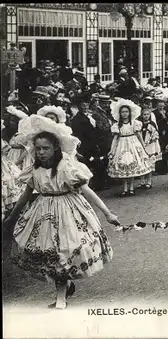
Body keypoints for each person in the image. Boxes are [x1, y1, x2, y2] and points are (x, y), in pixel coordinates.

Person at [3, 115, 118, 310]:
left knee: (63, 250)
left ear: (55, 148)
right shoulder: (34, 170)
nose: (40, 152)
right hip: (43, 211)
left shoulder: (65, 167)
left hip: (68, 210)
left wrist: (107, 213)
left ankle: (61, 296)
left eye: (45, 148)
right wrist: (12, 218)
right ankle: (64, 287)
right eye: (38, 148)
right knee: (48, 251)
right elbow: (25, 195)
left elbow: (86, 191)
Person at [107, 99, 152, 197]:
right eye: (123, 112)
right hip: (122, 145)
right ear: (120, 113)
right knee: (123, 164)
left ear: (130, 112)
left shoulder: (134, 123)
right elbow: (115, 139)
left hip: (133, 145)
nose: (125, 114)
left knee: (132, 164)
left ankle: (131, 187)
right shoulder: (117, 125)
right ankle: (125, 188)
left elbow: (139, 136)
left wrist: (143, 147)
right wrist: (112, 150)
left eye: (126, 112)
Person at [137, 108, 161, 189]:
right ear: (141, 115)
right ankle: (142, 181)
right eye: (144, 114)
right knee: (142, 162)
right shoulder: (139, 124)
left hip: (150, 145)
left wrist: (152, 139)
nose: (146, 116)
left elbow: (156, 134)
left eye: (147, 114)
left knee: (150, 162)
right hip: (142, 144)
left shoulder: (152, 124)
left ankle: (149, 181)